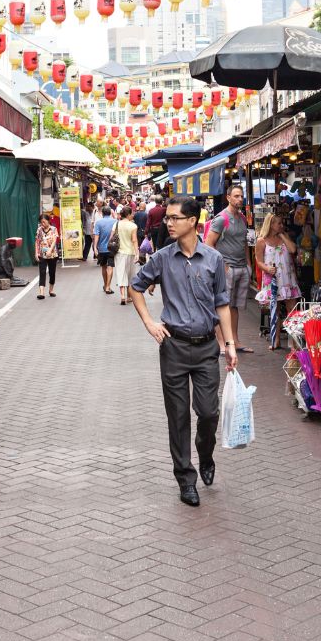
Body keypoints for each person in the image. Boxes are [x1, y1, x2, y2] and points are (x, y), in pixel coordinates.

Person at [129, 196, 236, 507]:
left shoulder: (214, 259)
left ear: (193, 221)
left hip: (206, 348)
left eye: (175, 218)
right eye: (169, 218)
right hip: (173, 347)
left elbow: (222, 305)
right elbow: (137, 286)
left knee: (208, 413)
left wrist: (228, 344)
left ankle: (206, 455)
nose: (169, 223)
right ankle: (185, 479)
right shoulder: (162, 258)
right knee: (177, 417)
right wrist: (149, 322)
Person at [204, 185, 254, 354]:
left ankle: (234, 340)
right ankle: (221, 342)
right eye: (236, 196)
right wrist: (222, 265)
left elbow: (244, 243)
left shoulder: (242, 218)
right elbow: (208, 244)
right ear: (228, 198)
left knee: (235, 307)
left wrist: (248, 264)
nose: (240, 199)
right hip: (228, 268)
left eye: (241, 196)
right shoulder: (221, 219)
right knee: (222, 305)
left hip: (241, 267)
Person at [254, 209, 300, 346]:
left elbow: (293, 250)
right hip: (273, 279)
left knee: (292, 309)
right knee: (275, 309)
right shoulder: (262, 241)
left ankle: (294, 341)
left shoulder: (283, 238)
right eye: (279, 223)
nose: (282, 225)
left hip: (288, 278)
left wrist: (283, 235)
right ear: (271, 224)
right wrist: (267, 268)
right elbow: (259, 260)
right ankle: (276, 339)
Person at [112, 206, 141, 304]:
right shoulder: (133, 226)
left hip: (119, 253)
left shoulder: (116, 224)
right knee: (130, 275)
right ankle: (129, 296)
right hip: (130, 252)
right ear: (128, 215)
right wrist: (137, 253)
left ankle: (123, 296)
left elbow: (111, 237)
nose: (133, 215)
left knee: (121, 273)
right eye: (132, 213)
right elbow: (134, 240)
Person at [34, 213, 60, 299]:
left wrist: (49, 250)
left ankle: (51, 290)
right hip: (42, 254)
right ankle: (41, 293)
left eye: (44, 222)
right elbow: (37, 241)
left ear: (48, 221)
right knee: (42, 272)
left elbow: (54, 241)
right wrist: (36, 253)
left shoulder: (54, 229)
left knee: (52, 273)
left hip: (52, 254)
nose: (42, 224)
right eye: (41, 222)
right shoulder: (39, 230)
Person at [93, 203, 117, 294]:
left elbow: (96, 236)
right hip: (112, 248)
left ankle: (105, 284)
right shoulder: (115, 222)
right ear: (110, 213)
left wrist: (95, 247)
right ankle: (108, 286)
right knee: (110, 267)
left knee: (103, 267)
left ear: (102, 213)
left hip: (102, 248)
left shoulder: (98, 223)